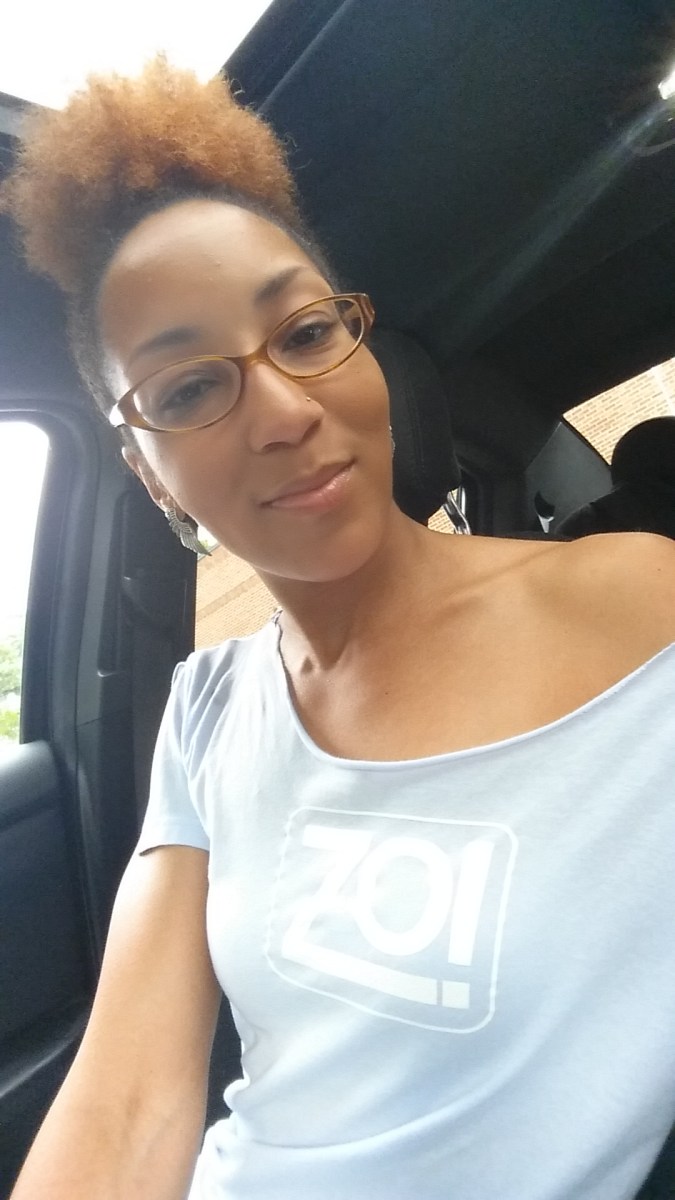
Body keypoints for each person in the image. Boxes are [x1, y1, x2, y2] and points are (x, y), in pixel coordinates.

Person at [2, 56, 675, 1200]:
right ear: (148, 473)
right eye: (186, 390)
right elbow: (126, 1104)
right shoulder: (206, 710)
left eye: (307, 332)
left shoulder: (632, 601)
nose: (282, 411)